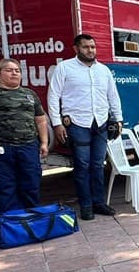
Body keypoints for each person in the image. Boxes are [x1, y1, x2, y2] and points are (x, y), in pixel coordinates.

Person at [48, 34, 122, 220]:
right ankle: (86, 205)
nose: (91, 50)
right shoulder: (64, 68)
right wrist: (56, 123)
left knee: (98, 165)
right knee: (82, 166)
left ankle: (99, 203)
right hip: (77, 123)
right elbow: (53, 96)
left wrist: (118, 119)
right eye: (86, 47)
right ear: (76, 49)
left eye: (93, 47)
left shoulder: (103, 70)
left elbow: (113, 95)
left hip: (101, 123)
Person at [0, 59, 48, 212]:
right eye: (9, 70)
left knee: (31, 184)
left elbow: (40, 120)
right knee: (4, 187)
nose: (14, 73)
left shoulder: (29, 94)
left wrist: (44, 142)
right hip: (1, 147)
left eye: (17, 70)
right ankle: (12, 223)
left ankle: (31, 220)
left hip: (28, 146)